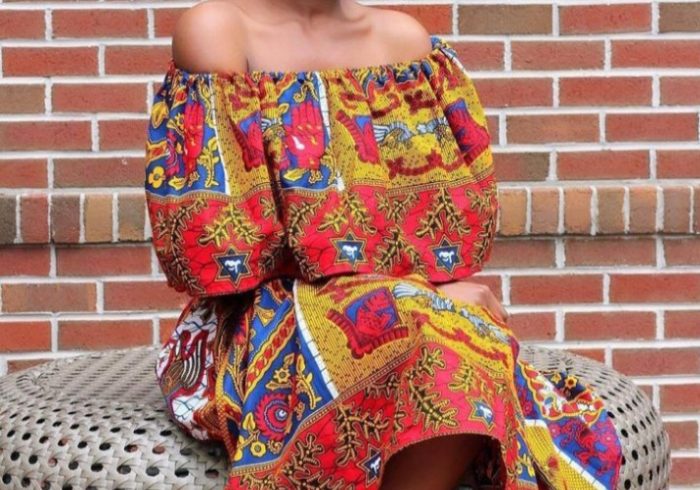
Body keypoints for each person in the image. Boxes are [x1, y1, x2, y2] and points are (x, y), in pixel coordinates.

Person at [144, 1, 623, 488]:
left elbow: (432, 218)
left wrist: (427, 292)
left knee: (462, 345)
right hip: (260, 318)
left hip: (402, 307)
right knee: (443, 343)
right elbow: (226, 237)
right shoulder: (219, 30)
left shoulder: (402, 42)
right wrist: (423, 296)